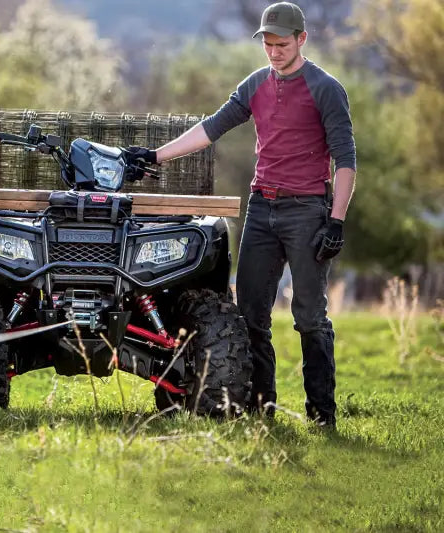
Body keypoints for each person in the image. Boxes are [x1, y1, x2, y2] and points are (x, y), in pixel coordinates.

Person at [123, 2, 356, 429]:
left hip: (308, 210)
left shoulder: (326, 89)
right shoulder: (254, 85)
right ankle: (260, 409)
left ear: (302, 40)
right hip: (262, 208)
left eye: (282, 44)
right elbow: (212, 127)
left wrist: (336, 220)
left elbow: (345, 161)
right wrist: (155, 156)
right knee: (250, 314)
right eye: (267, 44)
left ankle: (321, 413)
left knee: (309, 316)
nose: (273, 51)